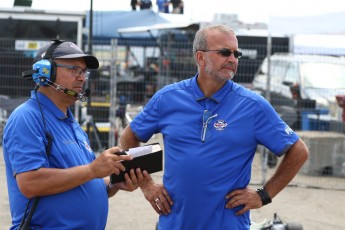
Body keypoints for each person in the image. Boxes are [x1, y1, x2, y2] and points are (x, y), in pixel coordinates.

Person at [120, 24, 309, 229]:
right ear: (200, 57)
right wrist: (146, 185)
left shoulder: (253, 106)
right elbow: (129, 136)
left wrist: (263, 195)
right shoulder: (167, 98)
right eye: (225, 52)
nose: (232, 59)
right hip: (174, 223)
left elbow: (298, 151)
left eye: (236, 53)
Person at [2, 40, 144, 229]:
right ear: (46, 72)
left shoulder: (71, 122)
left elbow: (83, 180)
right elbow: (30, 183)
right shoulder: (26, 117)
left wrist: (113, 184)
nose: (82, 78)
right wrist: (93, 169)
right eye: (73, 69)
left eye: (83, 71)